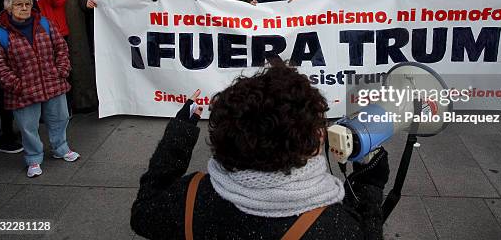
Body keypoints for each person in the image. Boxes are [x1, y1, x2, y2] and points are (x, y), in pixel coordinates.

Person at [131, 63, 389, 239]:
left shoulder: (191, 197)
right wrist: (369, 190)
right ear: (311, 147)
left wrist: (178, 135)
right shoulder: (334, 227)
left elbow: (143, 214)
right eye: (319, 125)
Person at [0, 0, 79, 178]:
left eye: (27, 4)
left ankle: (60, 148)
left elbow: (61, 48)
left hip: (53, 82)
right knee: (28, 127)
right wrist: (16, 84)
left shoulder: (45, 24)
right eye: (19, 4)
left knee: (60, 118)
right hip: (23, 90)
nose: (24, 8)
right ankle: (34, 158)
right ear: (9, 8)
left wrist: (61, 70)